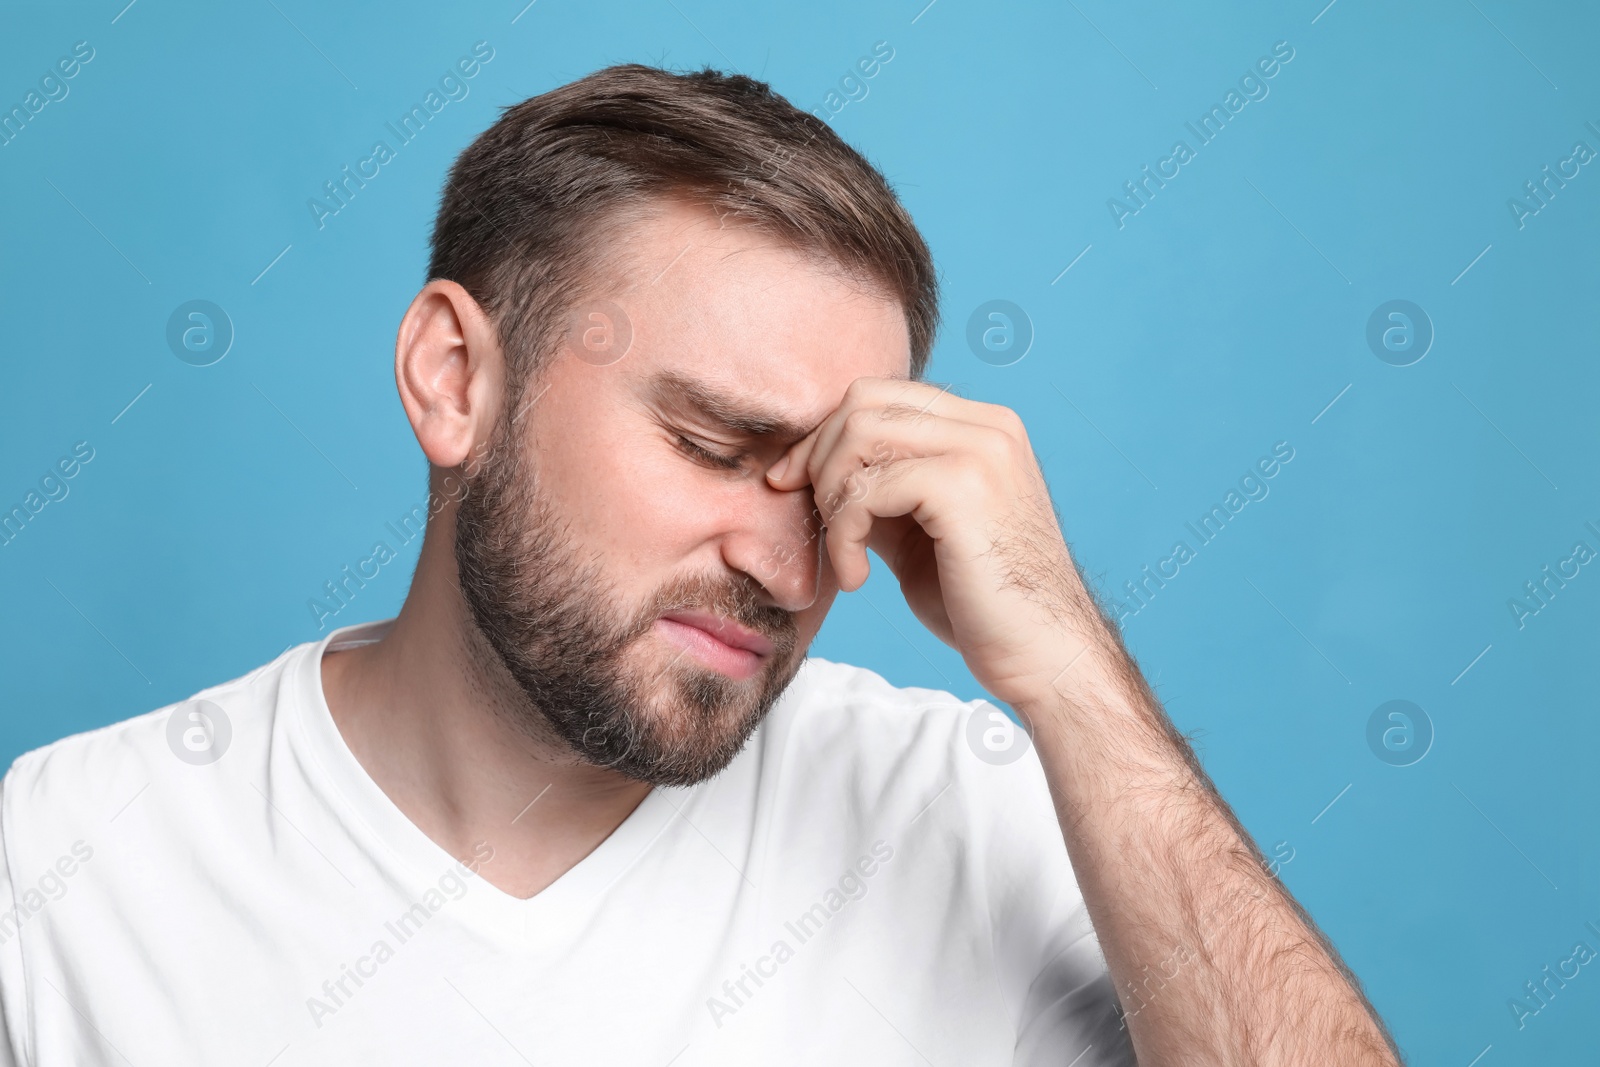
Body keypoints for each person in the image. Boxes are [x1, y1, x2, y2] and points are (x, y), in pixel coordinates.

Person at [0, 64, 1401, 1065]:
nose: (789, 568)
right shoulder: (69, 863)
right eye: (713, 444)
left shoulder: (966, 811)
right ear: (452, 380)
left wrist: (1074, 672)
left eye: (835, 484)